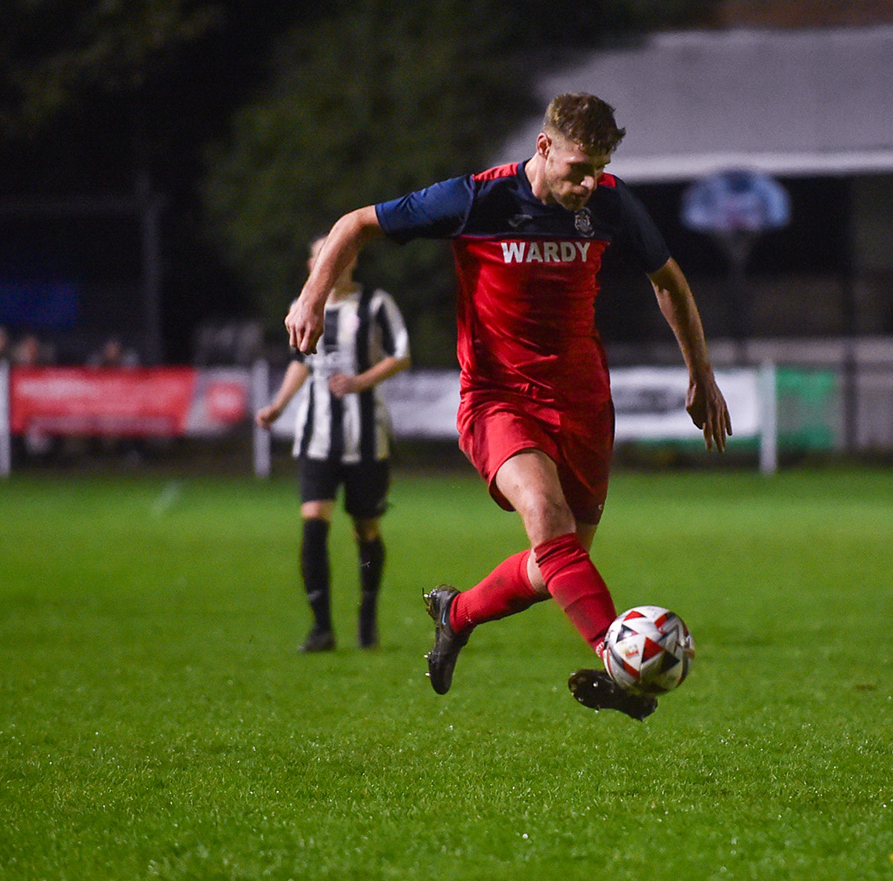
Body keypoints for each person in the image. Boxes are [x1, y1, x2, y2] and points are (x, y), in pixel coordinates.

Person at [285, 92, 731, 720]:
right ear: (543, 147)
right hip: (499, 398)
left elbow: (669, 281)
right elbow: (355, 224)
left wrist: (700, 372)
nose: (589, 183)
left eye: (599, 169)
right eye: (578, 168)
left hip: (583, 404)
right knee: (547, 519)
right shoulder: (478, 199)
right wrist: (311, 297)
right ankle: (618, 661)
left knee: (558, 565)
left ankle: (457, 613)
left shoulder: (610, 203)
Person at [256, 237, 412, 653]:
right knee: (313, 525)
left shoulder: (376, 303)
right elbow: (301, 362)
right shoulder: (304, 305)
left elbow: (401, 355)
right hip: (317, 438)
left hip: (366, 438)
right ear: (312, 264)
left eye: (339, 254)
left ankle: (367, 616)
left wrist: (360, 381)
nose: (331, 262)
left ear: (352, 259)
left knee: (366, 531)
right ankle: (321, 627)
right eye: (323, 256)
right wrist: (277, 406)